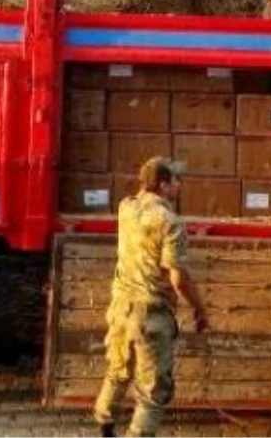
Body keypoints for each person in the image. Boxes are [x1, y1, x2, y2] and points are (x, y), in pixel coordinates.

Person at [93, 156, 209, 438]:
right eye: (176, 180)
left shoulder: (125, 208)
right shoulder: (170, 222)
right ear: (164, 185)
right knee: (153, 390)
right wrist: (199, 308)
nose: (180, 185)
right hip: (150, 314)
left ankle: (104, 421)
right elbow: (178, 277)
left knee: (119, 370)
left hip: (120, 307)